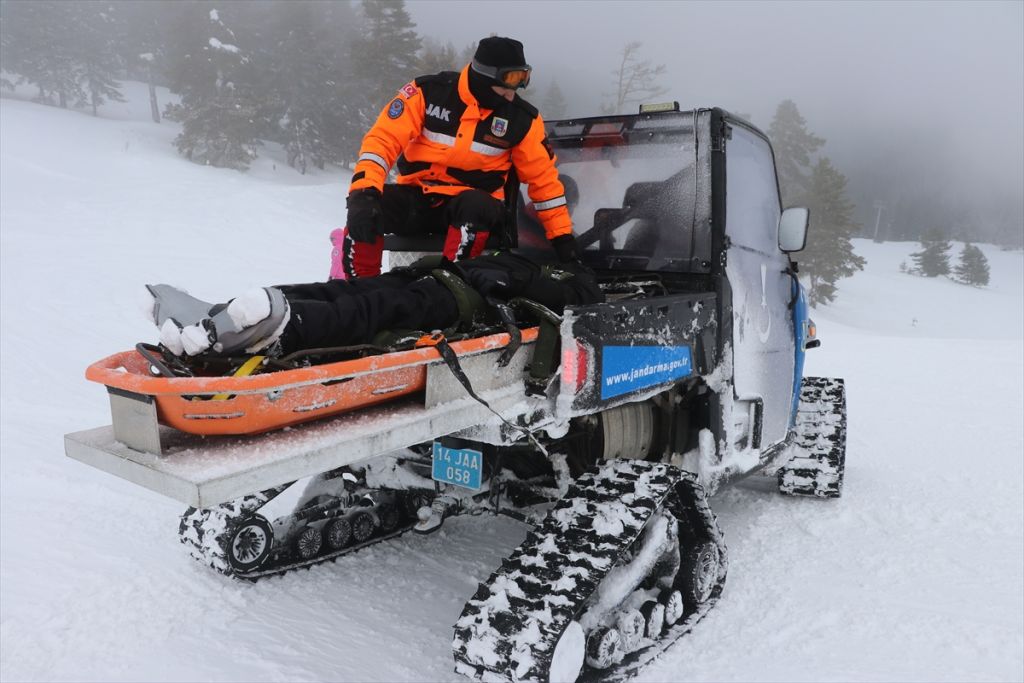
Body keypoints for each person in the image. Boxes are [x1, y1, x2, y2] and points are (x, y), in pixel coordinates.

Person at [339, 36, 578, 279]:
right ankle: (362, 288)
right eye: (504, 88)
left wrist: (562, 238)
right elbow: (382, 141)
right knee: (368, 209)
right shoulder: (427, 93)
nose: (510, 96)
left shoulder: (522, 120)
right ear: (483, 80)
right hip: (419, 197)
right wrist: (363, 192)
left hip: (475, 207)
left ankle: (452, 286)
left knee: (475, 205)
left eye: (515, 88)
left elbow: (544, 182)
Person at [147, 253, 603, 359]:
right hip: (435, 278)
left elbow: (583, 301)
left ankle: (287, 327)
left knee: (377, 310)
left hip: (461, 305)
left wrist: (517, 278)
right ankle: (223, 312)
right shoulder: (522, 247)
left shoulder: (578, 276)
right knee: (341, 289)